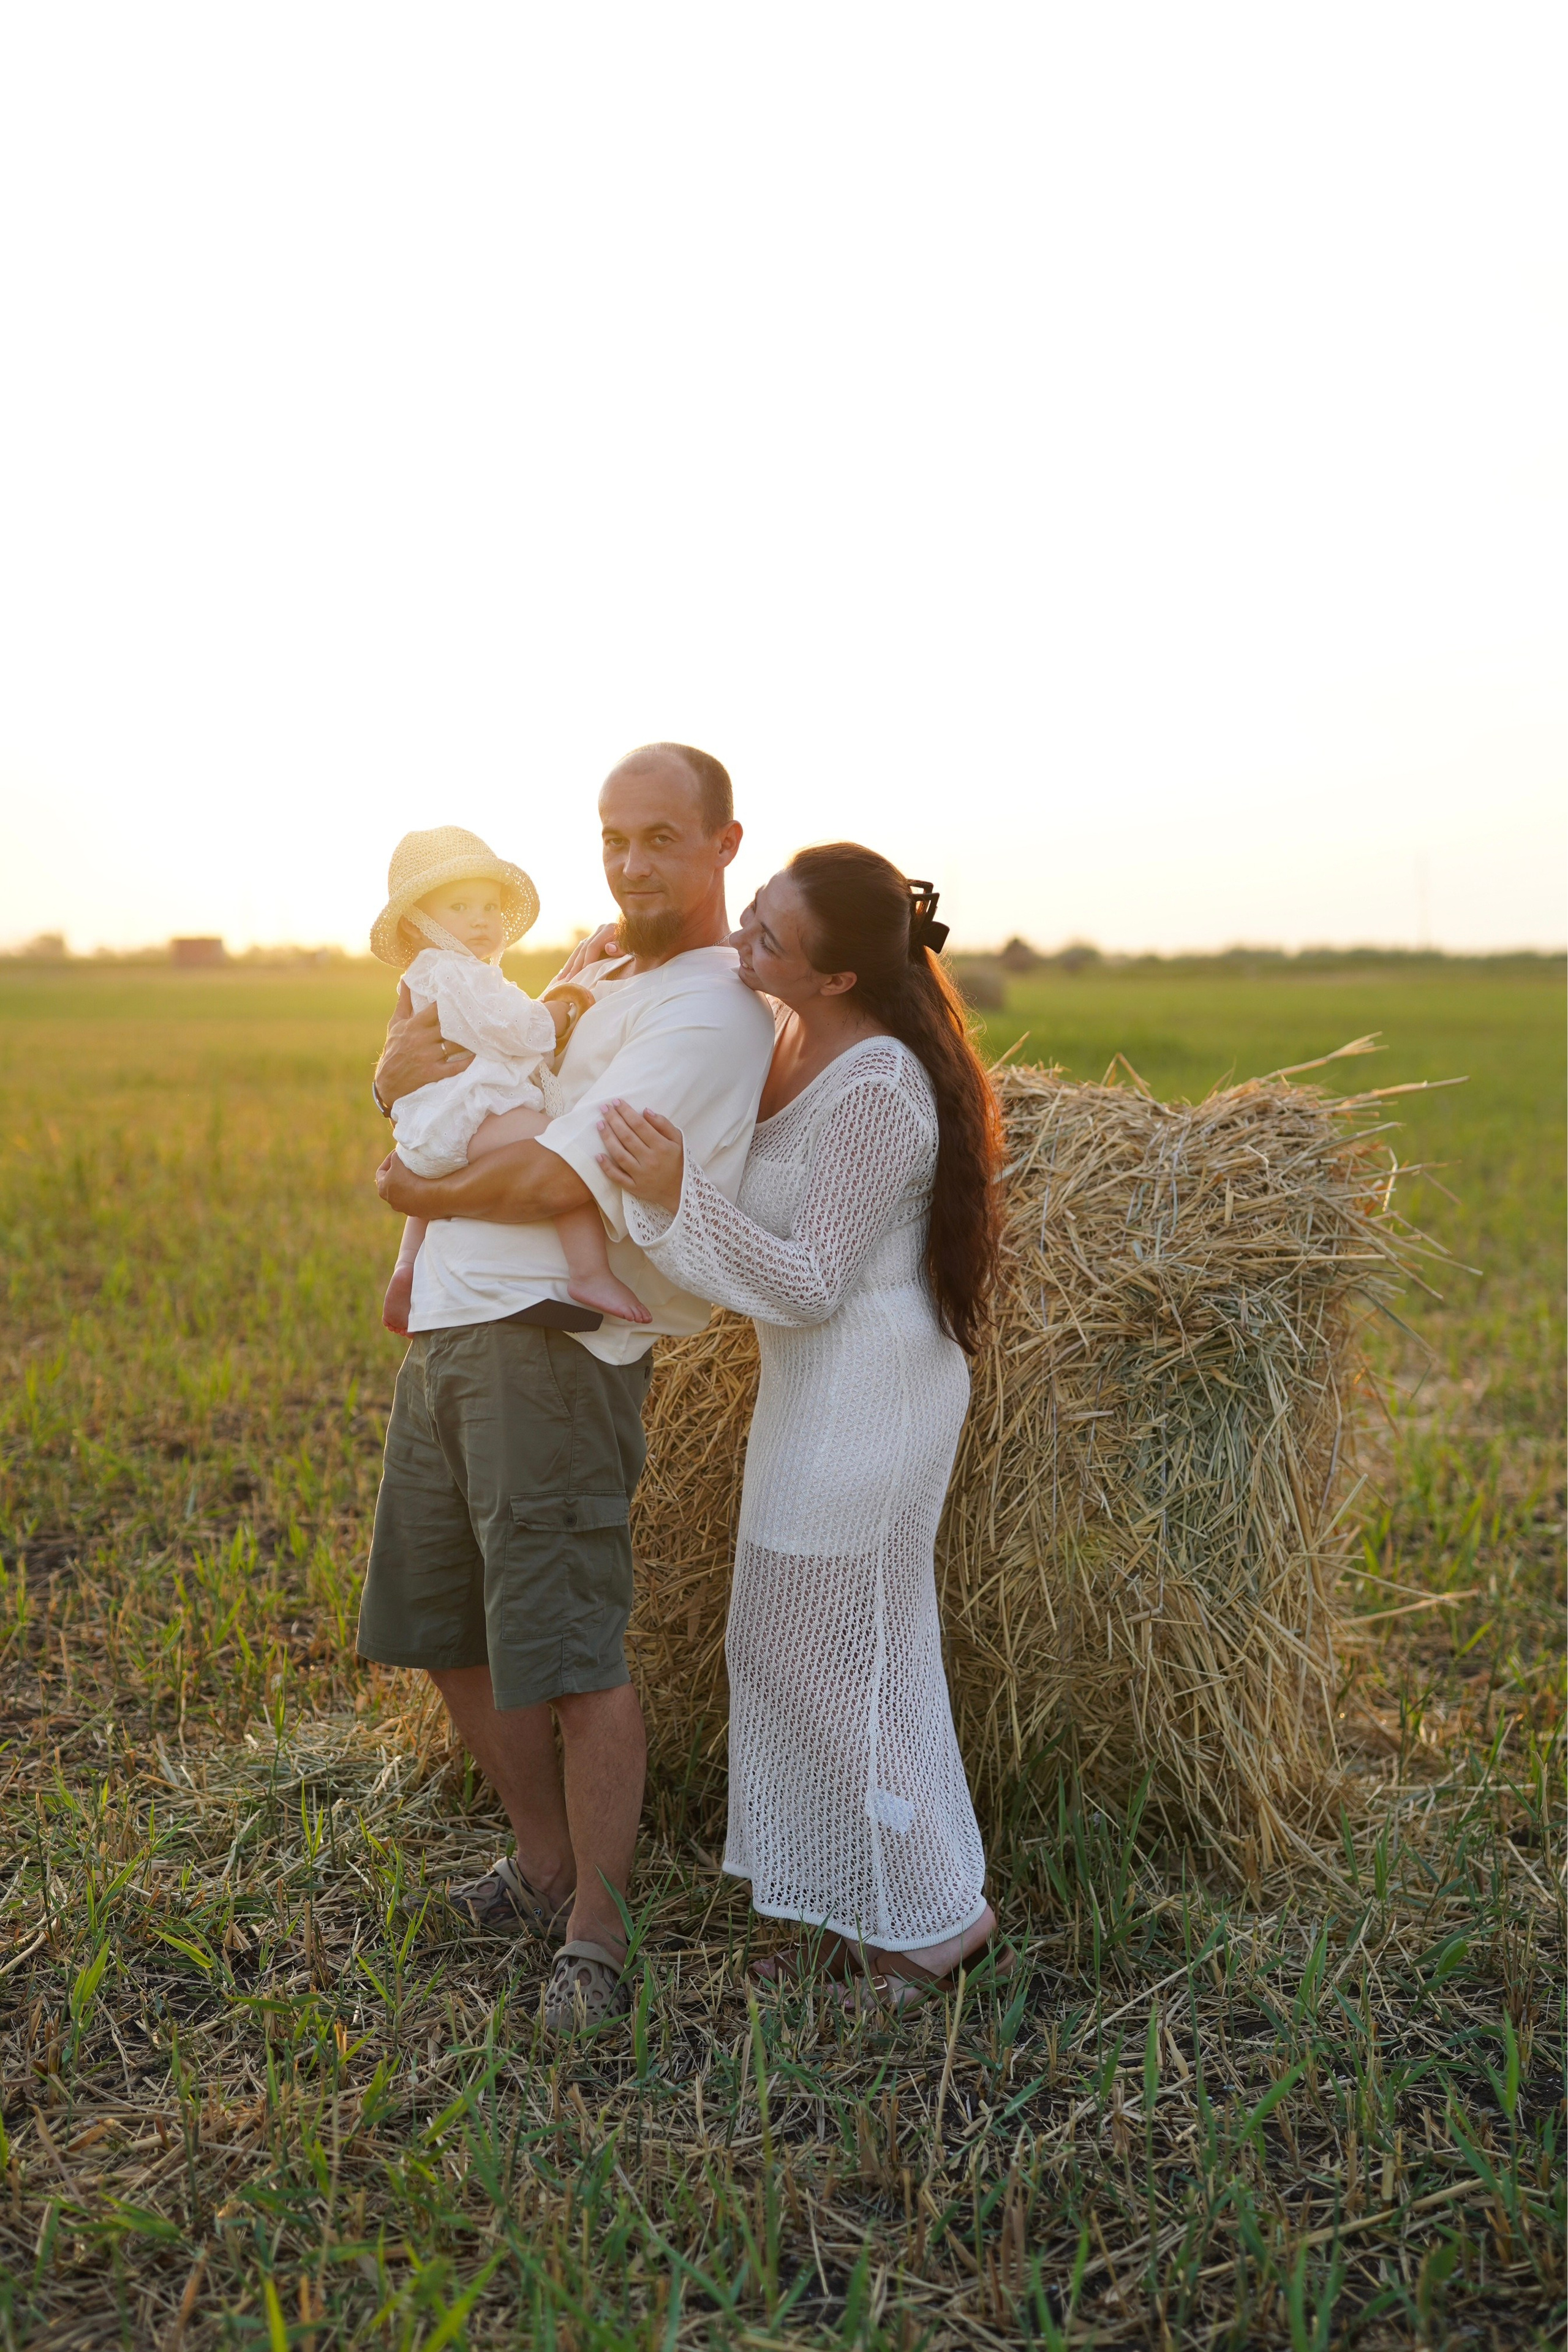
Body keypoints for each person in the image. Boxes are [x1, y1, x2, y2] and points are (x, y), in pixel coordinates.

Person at [361, 746, 776, 2032]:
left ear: (722, 844)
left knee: (570, 1649)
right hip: (450, 1324)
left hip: (550, 1343)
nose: (633, 863)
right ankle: (541, 1863)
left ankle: (600, 1923)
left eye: (661, 836)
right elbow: (461, 1066)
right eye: (613, 837)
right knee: (440, 1620)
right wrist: (394, 1085)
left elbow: (557, 1179)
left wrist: (415, 1184)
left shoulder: (709, 1011)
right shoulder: (607, 973)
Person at [596, 842, 1006, 2004]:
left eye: (769, 937)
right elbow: (676, 976)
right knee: (796, 1654)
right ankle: (845, 1904)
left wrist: (679, 1196)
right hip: (813, 1391)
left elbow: (816, 1277)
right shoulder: (790, 1028)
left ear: (837, 979)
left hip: (871, 1391)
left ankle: (939, 1917)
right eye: (757, 913)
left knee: (826, 1662)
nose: (744, 941)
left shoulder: (878, 1084)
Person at [369, 827, 649, 1334]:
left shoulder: (429, 974)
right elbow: (519, 1029)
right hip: (468, 1120)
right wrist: (564, 1010)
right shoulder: (458, 973)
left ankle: (407, 1267)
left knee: (429, 1191)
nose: (480, 919)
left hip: (427, 1135)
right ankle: (589, 1271)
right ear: (418, 924)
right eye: (459, 907)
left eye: (490, 907)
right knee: (560, 1147)